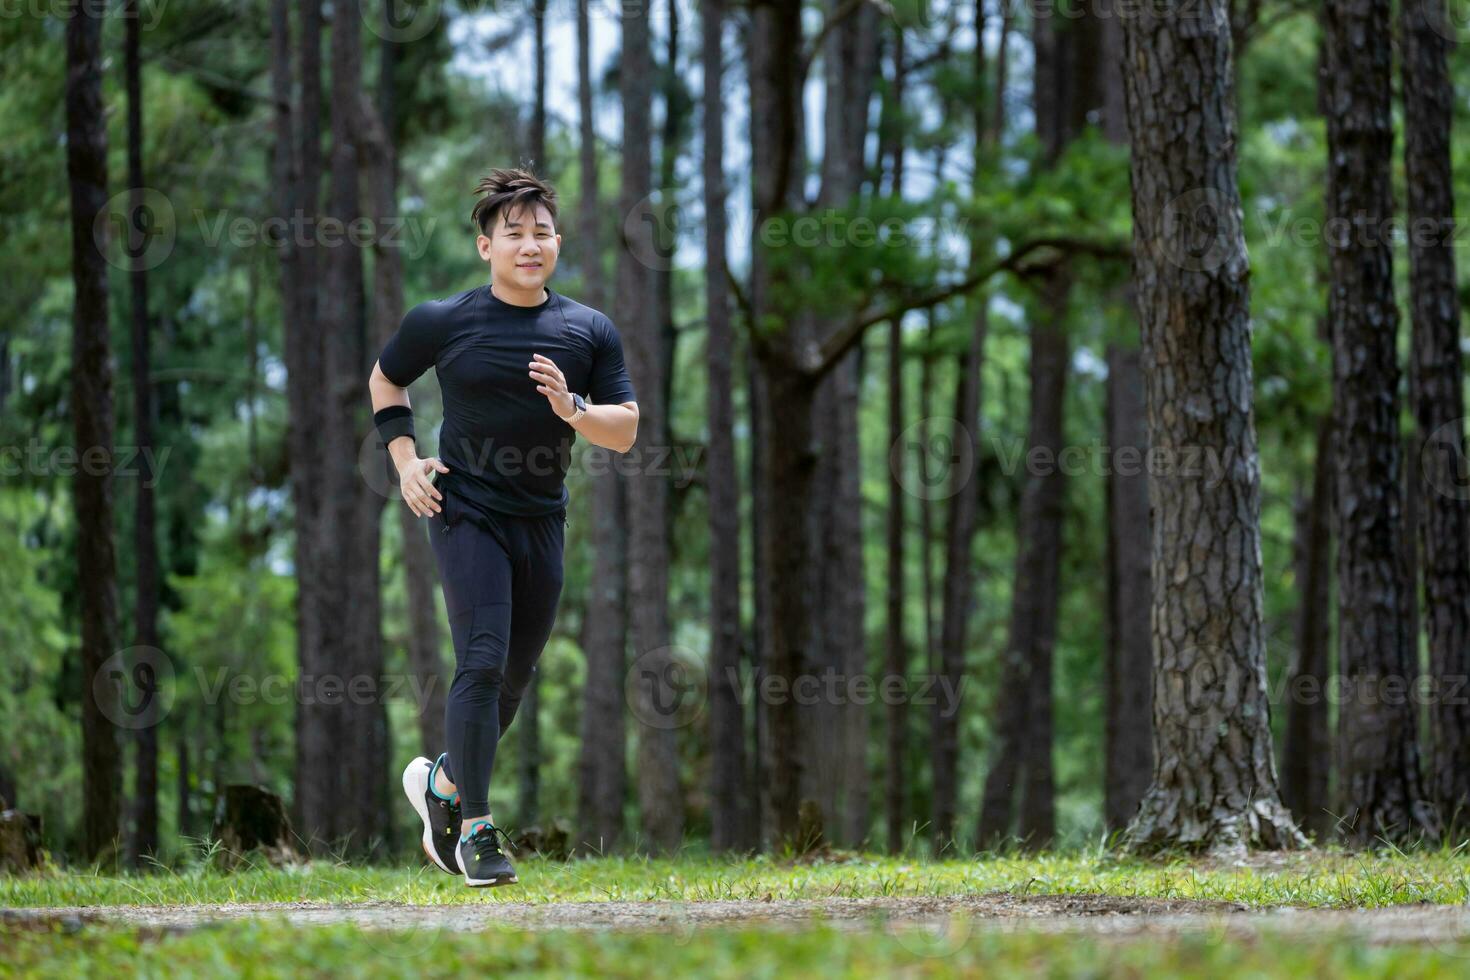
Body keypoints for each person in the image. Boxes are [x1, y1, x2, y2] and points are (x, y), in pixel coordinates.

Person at [368, 168, 638, 886]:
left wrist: (574, 411)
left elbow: (627, 431)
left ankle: (444, 784)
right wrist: (404, 463)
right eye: (513, 234)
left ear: (558, 243)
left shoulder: (588, 330)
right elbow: (385, 380)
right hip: (464, 509)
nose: (529, 244)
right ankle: (476, 833)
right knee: (481, 660)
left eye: (541, 232)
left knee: (514, 677)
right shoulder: (443, 319)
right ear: (486, 245)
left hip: (541, 519)